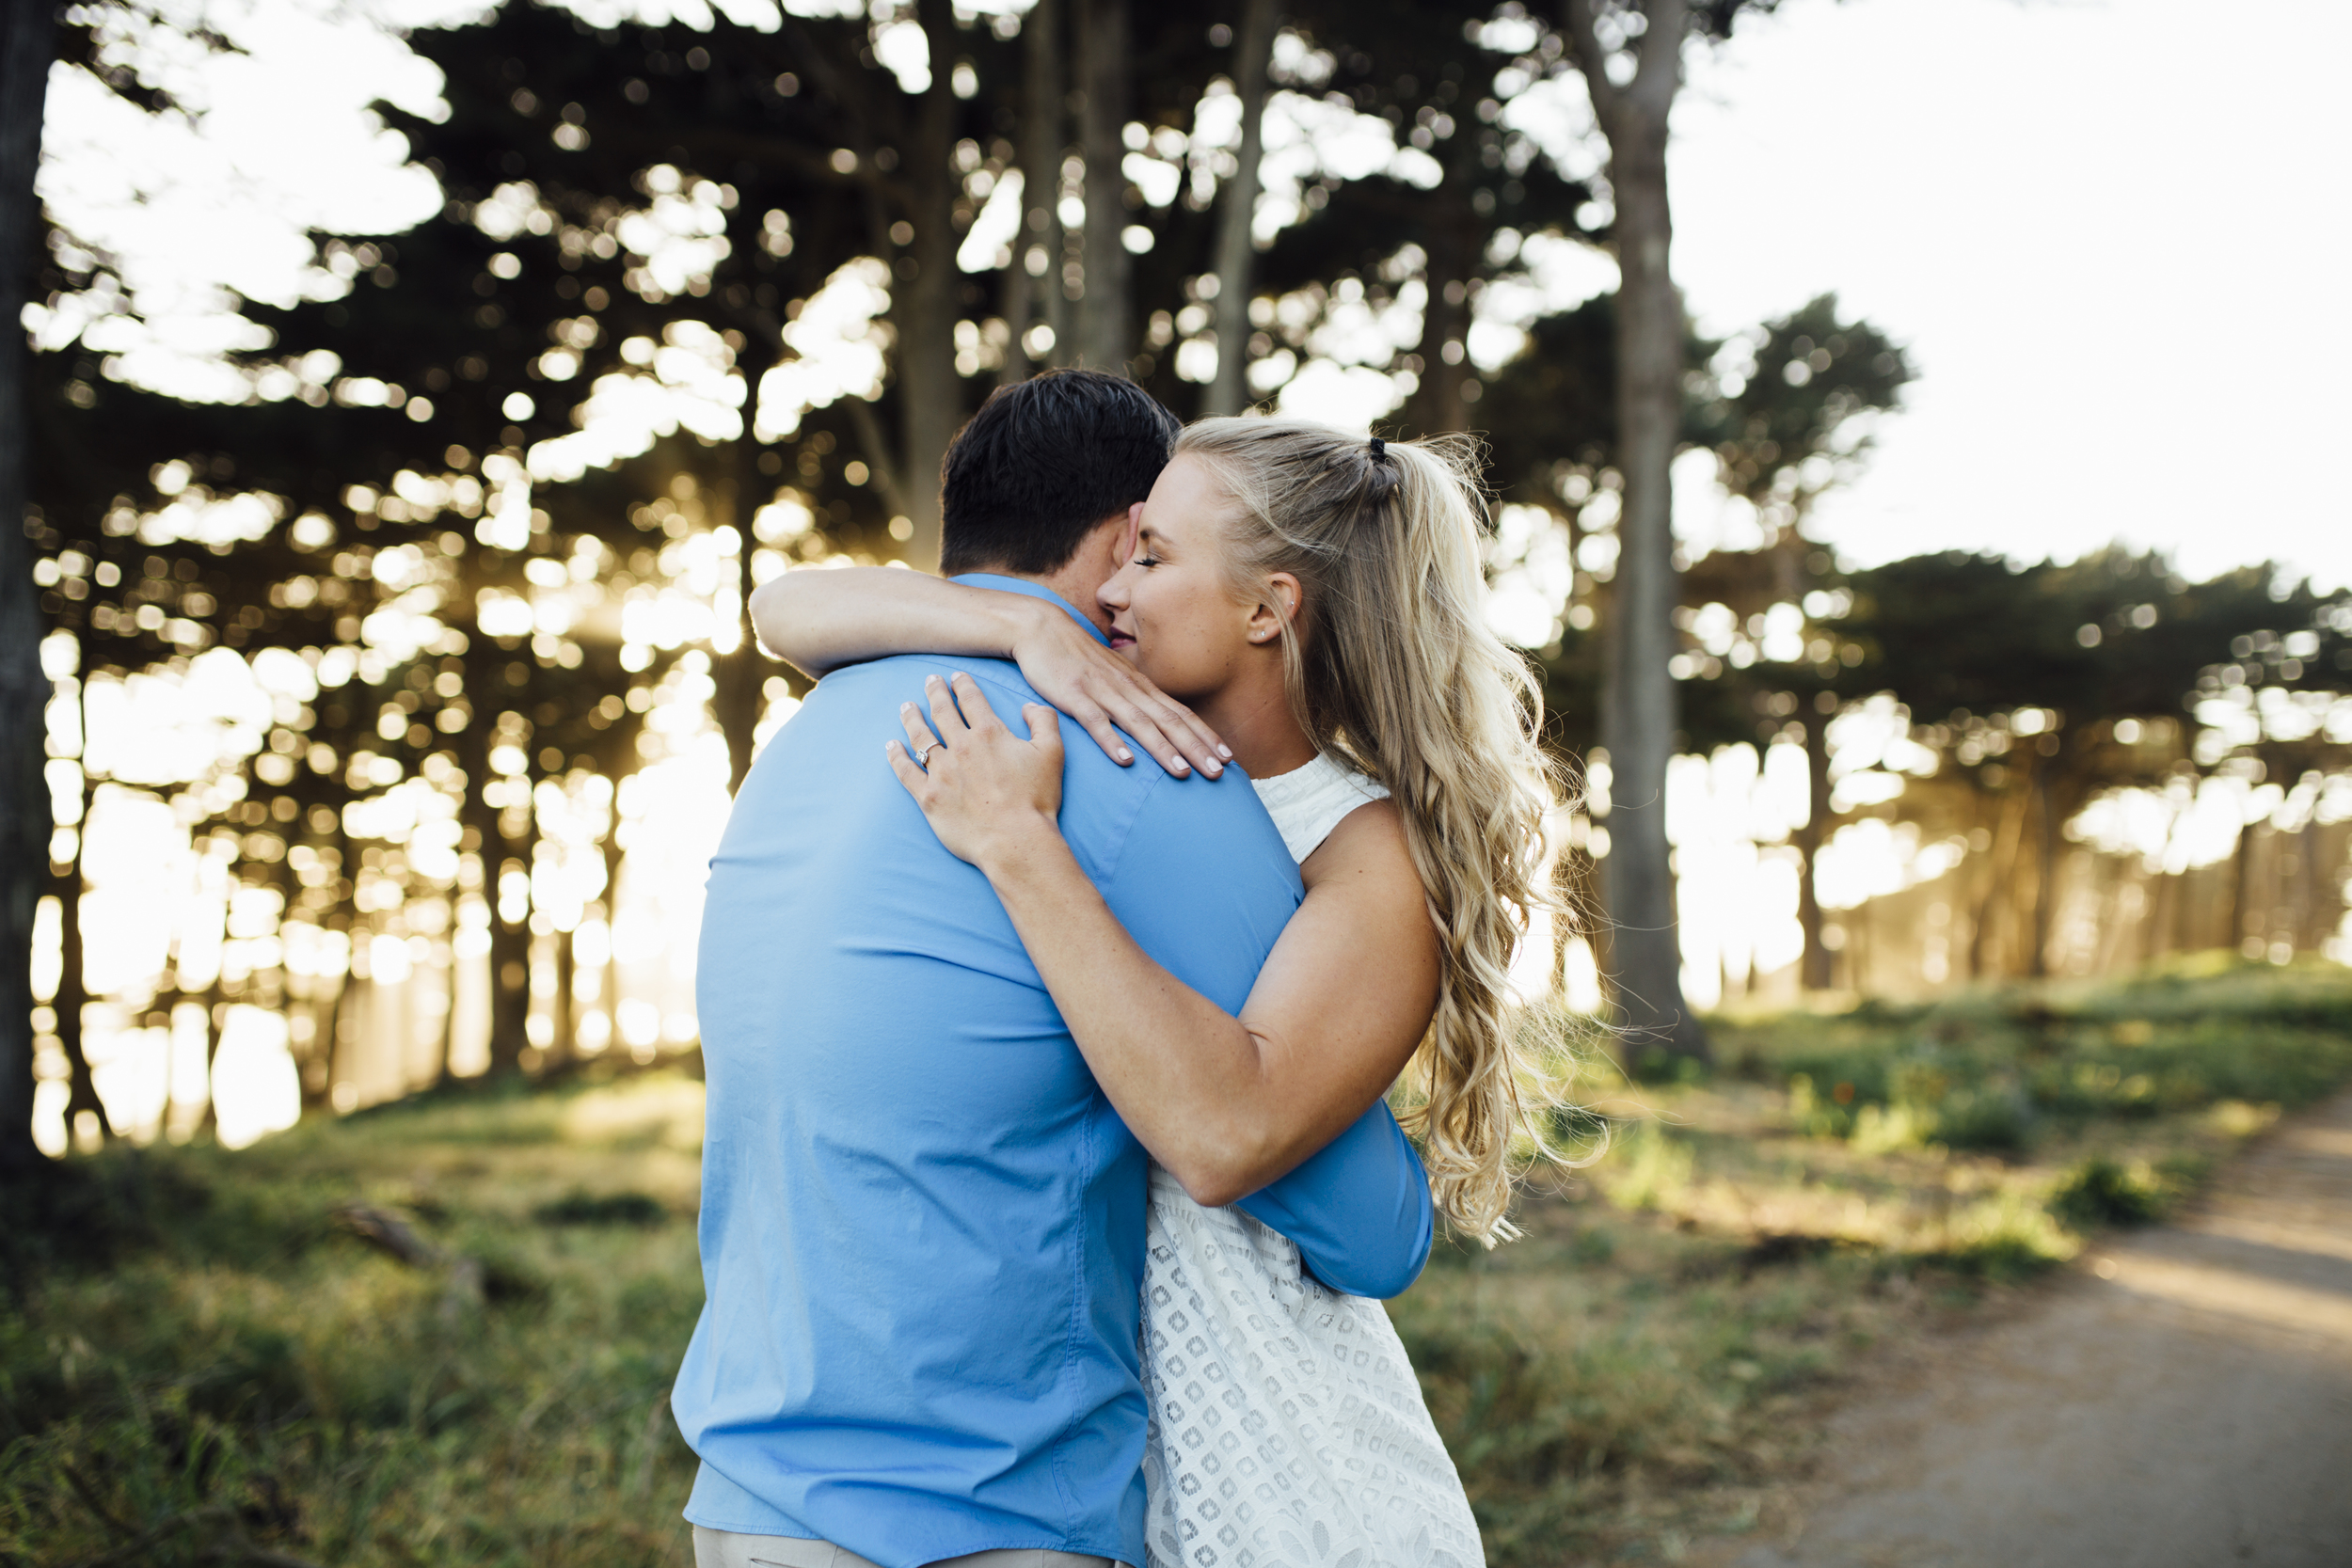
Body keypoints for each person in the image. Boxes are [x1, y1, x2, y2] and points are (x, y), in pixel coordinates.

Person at [755, 415, 1568, 1568]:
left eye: (1153, 557)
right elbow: (786, 608)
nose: (1109, 589)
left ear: (1264, 607)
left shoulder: (1365, 852)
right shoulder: (1107, 745)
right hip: (1090, 1433)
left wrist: (1020, 846)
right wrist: (1022, 623)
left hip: (1273, 1436)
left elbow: (1227, 1133)